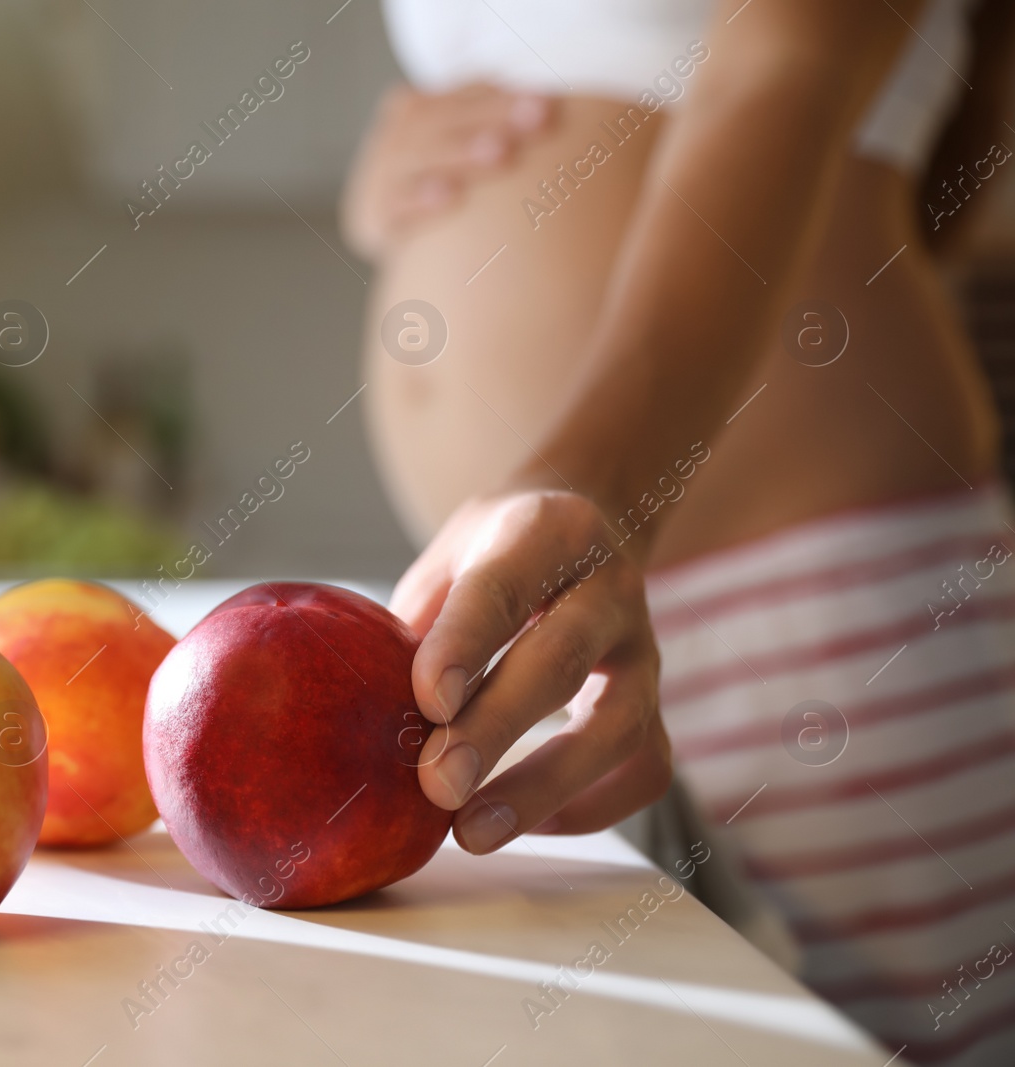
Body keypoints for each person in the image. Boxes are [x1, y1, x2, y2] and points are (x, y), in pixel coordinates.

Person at [343, 0, 1015, 1062]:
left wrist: (592, 490)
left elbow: (785, 67)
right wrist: (396, 193)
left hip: (818, 587)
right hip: (555, 622)